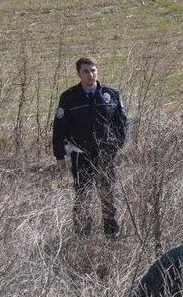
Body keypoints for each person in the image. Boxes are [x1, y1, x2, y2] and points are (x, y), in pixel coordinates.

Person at [52, 56, 128, 238]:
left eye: (93, 70)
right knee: (82, 197)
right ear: (79, 74)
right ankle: (82, 239)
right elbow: (59, 128)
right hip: (81, 156)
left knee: (108, 196)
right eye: (86, 71)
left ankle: (112, 237)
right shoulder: (69, 97)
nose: (90, 74)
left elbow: (122, 123)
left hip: (105, 155)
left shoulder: (111, 95)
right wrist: (59, 156)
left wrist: (116, 146)